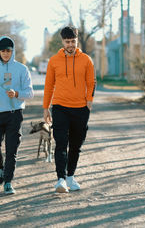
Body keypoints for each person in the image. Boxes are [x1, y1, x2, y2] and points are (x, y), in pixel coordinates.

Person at [43, 26, 95, 193]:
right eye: (67, 42)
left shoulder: (86, 60)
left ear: (77, 40)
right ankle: (61, 180)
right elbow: (49, 86)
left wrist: (89, 101)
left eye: (73, 41)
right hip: (60, 107)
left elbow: (91, 82)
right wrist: (46, 107)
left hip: (80, 109)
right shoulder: (54, 61)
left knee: (75, 145)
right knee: (60, 143)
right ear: (62, 42)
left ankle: (70, 177)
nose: (71, 45)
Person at [0, 36, 34, 195]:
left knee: (12, 149)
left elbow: (30, 92)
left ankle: (8, 182)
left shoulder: (21, 69)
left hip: (14, 114)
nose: (5, 53)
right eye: (2, 50)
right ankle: (1, 168)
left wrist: (17, 93)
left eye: (8, 50)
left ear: (13, 51)